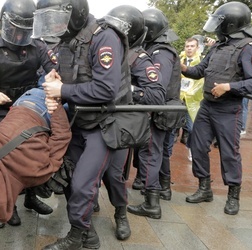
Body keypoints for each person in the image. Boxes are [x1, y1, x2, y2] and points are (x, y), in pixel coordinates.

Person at [35, 0, 133, 248]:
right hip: (79, 120)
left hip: (105, 122)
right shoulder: (68, 39)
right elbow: (61, 70)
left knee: (98, 180)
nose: (54, 25)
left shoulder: (104, 37)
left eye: (57, 18)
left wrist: (63, 89)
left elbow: (106, 89)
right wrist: (52, 77)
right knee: (68, 176)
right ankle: (86, 234)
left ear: (74, 13)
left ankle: (113, 218)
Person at [182, 1, 252, 215]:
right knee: (197, 146)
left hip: (229, 110)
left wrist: (230, 86)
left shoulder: (249, 48)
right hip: (207, 106)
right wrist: (183, 67)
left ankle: (233, 195)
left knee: (229, 153)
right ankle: (204, 188)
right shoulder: (219, 46)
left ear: (230, 24)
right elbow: (200, 70)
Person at [0, 0, 59, 227]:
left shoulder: (38, 45)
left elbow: (53, 70)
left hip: (28, 106)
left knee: (36, 148)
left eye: (25, 30)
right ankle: (10, 201)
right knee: (5, 153)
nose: (19, 35)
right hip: (1, 104)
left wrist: (53, 81)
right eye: (16, 29)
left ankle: (32, 196)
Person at [0, 85, 71, 223]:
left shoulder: (38, 174)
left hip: (47, 109)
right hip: (26, 100)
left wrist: (55, 104)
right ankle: (30, 200)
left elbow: (62, 136)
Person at [103, 6, 166, 195]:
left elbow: (157, 95)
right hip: (97, 118)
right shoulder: (104, 50)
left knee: (115, 173)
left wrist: (128, 90)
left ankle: (121, 211)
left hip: (122, 123)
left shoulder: (139, 59)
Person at [127, 8, 181, 219]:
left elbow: (157, 85)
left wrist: (134, 91)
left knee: (150, 153)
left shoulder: (161, 53)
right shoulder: (157, 49)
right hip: (161, 111)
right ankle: (162, 189)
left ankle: (152, 203)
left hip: (158, 111)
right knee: (157, 152)